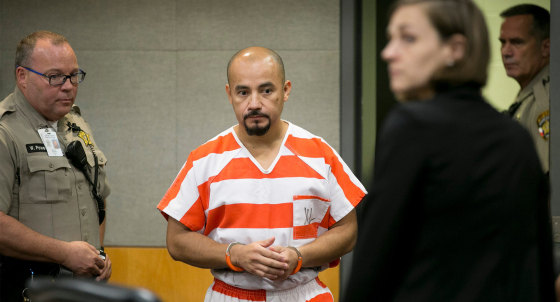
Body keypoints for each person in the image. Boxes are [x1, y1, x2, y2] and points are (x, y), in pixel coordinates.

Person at [343, 0, 554, 301]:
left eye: (408, 38)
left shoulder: (412, 126)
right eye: (391, 39)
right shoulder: (515, 137)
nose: (388, 52)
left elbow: (376, 258)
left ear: (454, 49)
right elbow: (537, 263)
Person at [157, 46, 366, 301]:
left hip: (305, 293)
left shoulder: (320, 154)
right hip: (232, 295)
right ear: (229, 94)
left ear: (286, 90)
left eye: (266, 91)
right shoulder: (205, 160)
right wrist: (234, 254)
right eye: (243, 92)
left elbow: (348, 230)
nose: (254, 103)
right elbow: (177, 241)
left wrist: (299, 257)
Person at [0, 31, 111, 301]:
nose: (68, 86)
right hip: (28, 288)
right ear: (22, 77)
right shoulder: (5, 132)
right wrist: (65, 254)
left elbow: (97, 199)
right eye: (55, 76)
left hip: (82, 288)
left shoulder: (76, 125)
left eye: (74, 75)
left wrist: (98, 255)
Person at [500, 4, 550, 173]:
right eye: (503, 42)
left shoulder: (545, 101)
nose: (506, 52)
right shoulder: (529, 93)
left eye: (517, 42)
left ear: (546, 47)